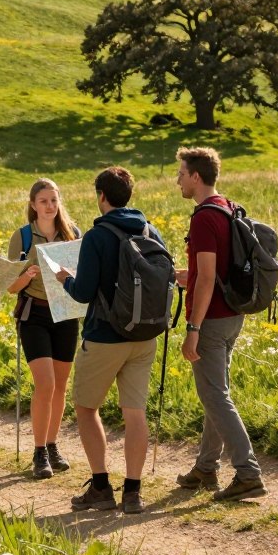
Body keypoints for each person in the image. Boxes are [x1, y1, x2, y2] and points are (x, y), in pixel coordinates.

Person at [55, 167, 166, 514]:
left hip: (105, 336)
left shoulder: (97, 235)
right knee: (135, 413)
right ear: (128, 195)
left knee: (87, 408)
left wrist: (64, 279)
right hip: (145, 335)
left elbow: (84, 292)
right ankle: (133, 492)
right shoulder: (152, 230)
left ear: (101, 196)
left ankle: (101, 486)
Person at [175, 146, 267, 502]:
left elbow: (209, 277)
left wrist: (193, 329)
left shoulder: (203, 217)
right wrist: (188, 275)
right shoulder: (227, 207)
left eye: (181, 174)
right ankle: (206, 467)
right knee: (216, 393)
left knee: (215, 395)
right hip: (233, 314)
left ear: (196, 176)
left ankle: (247, 473)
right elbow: (212, 269)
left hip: (211, 319)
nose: (178, 181)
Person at [6, 178, 81, 479]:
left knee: (61, 387)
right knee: (46, 385)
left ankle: (52, 445)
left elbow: (84, 275)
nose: (50, 206)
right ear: (33, 205)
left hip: (65, 314)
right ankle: (39, 452)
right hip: (33, 315)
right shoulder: (23, 237)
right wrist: (27, 277)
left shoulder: (72, 233)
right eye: (43, 201)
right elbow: (10, 286)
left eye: (53, 200)